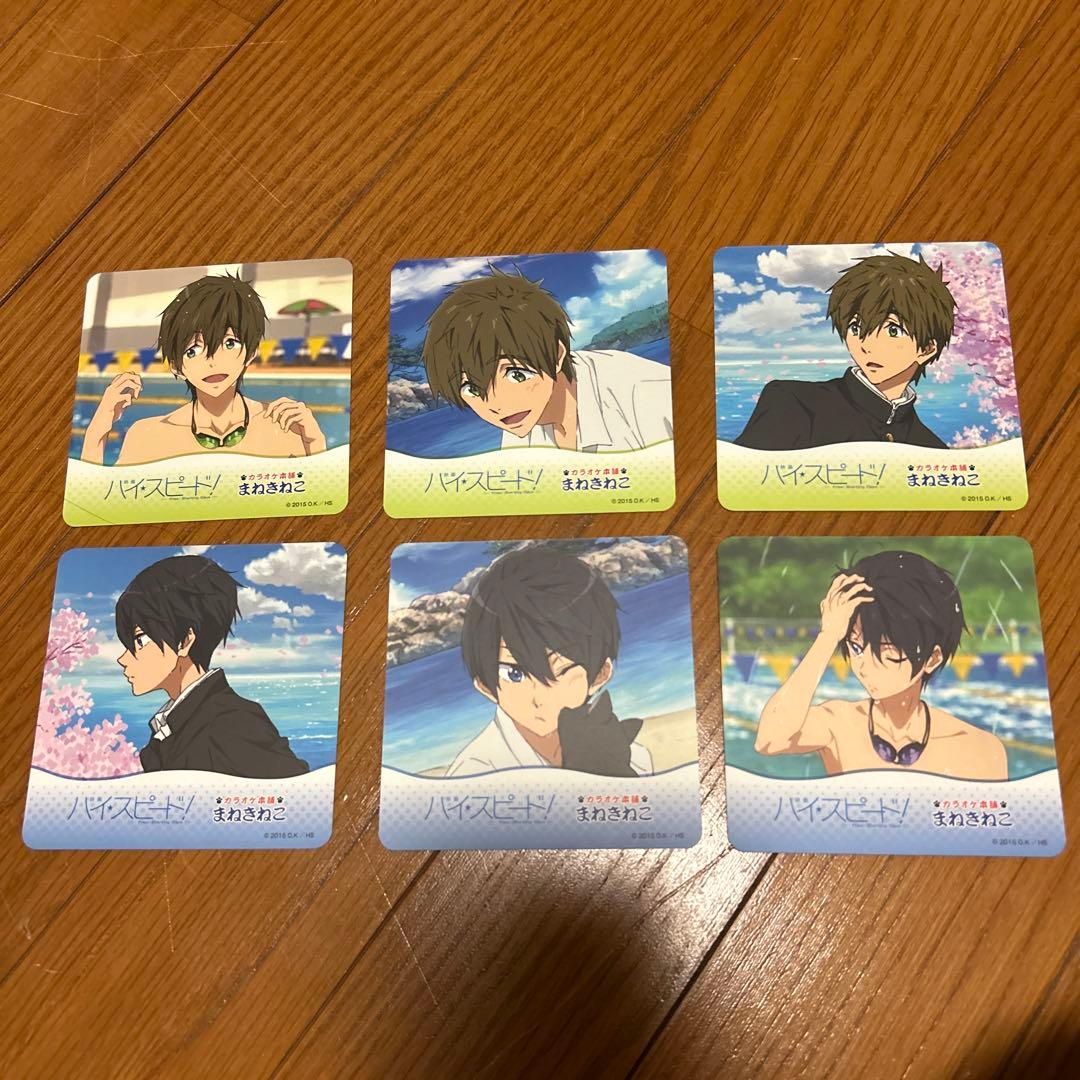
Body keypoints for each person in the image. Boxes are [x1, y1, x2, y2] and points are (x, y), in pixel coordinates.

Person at [753, 550, 1007, 780]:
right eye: (855, 647)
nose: (864, 665)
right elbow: (769, 740)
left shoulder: (977, 747)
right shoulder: (839, 724)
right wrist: (828, 636)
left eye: (886, 651)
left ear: (932, 659)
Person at [445, 548, 653, 777]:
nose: (538, 698)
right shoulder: (476, 774)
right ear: (486, 686)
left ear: (600, 675)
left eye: (561, 671)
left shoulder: (634, 759)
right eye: (515, 675)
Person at [81, 273, 326, 465]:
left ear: (251, 352)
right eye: (193, 350)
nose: (213, 360)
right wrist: (97, 430)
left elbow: (315, 498)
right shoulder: (147, 435)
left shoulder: (284, 425)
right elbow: (99, 503)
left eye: (229, 343)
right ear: (176, 366)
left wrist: (314, 442)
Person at [421, 268, 672, 452]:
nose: (496, 404)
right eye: (473, 389)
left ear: (557, 355)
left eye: (516, 375)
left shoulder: (647, 393)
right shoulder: (519, 422)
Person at [114, 554, 309, 778]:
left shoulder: (232, 723)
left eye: (139, 641)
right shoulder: (173, 728)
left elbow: (291, 792)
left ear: (185, 641)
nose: (123, 658)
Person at [733, 252, 955, 449]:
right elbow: (746, 478)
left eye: (893, 330)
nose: (866, 345)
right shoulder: (792, 403)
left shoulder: (931, 448)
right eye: (856, 327)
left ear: (926, 349)